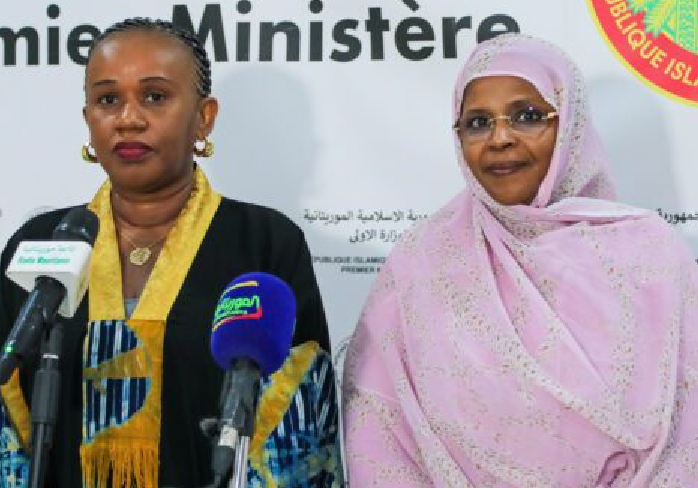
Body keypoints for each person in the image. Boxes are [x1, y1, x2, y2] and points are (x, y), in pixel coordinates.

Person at [342, 33, 698, 487]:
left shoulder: (649, 252)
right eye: (477, 123)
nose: (500, 139)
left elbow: (687, 431)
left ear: (570, 126)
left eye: (527, 116)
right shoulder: (421, 264)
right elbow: (377, 429)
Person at [0, 18, 343, 488]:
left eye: (155, 96)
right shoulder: (42, 242)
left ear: (204, 116)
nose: (128, 119)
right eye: (108, 100)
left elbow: (299, 434)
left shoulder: (263, 243)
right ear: (88, 119)